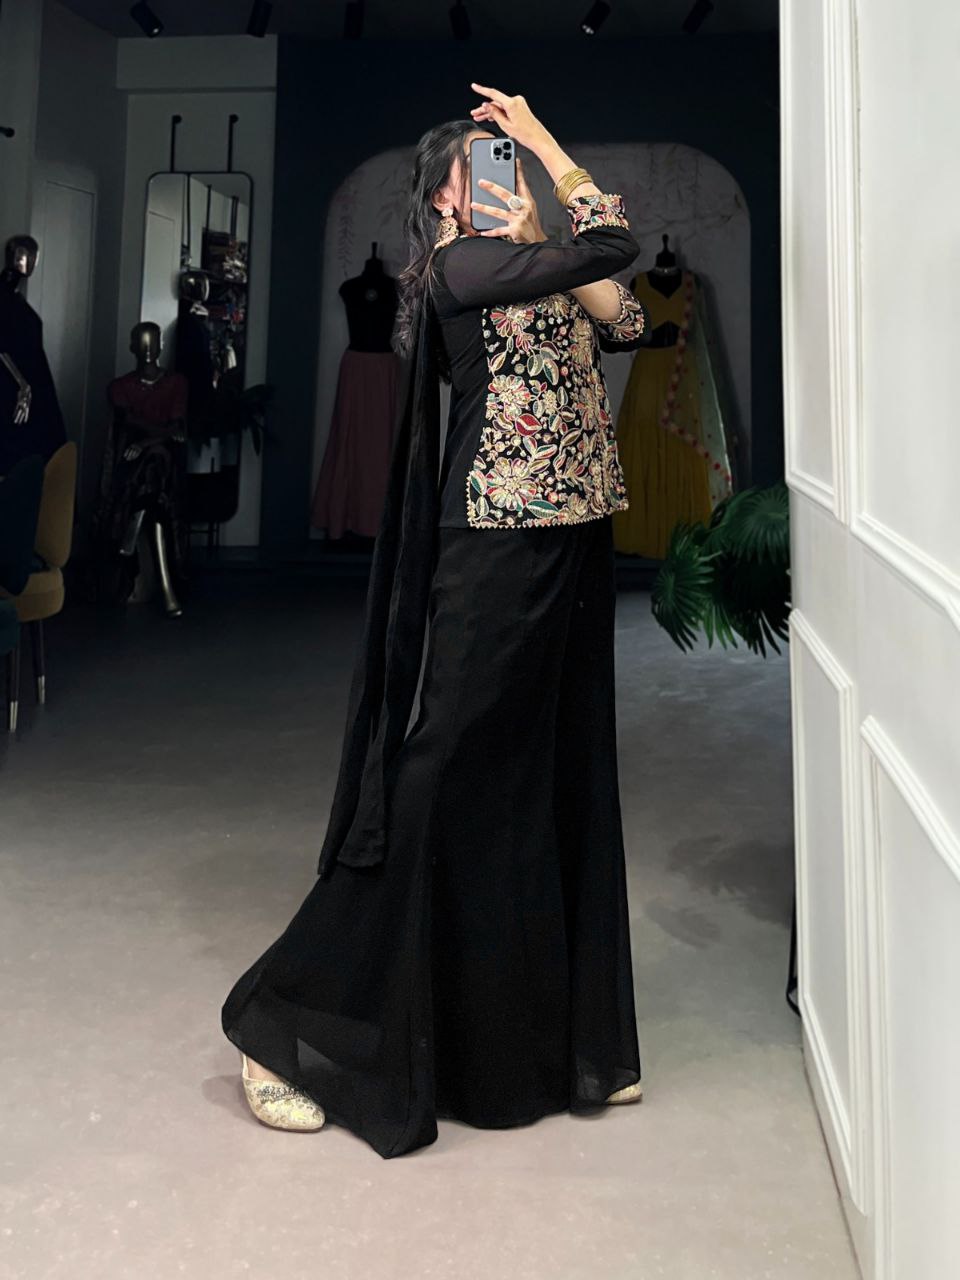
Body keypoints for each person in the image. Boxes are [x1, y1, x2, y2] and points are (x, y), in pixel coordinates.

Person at [221, 85, 651, 1159]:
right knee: (440, 761)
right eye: (485, 162)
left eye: (511, 156)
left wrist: (545, 229)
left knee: (534, 772)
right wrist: (544, 140)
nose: (506, 171)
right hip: (495, 533)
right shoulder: (459, 269)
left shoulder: (534, 261)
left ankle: (522, 1038)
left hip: (573, 533)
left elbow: (628, 314)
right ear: (447, 197)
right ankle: (284, 1018)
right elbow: (618, 240)